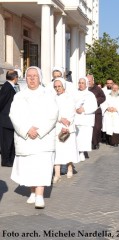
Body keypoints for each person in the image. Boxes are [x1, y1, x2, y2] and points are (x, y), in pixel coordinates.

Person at [10, 66, 58, 209]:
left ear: (40, 78)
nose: (31, 79)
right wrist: (26, 130)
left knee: (42, 167)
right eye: (29, 76)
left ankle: (39, 195)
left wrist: (39, 130)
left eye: (34, 76)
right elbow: (14, 115)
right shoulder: (19, 96)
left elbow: (53, 114)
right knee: (29, 168)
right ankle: (32, 192)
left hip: (43, 138)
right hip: (25, 138)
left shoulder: (48, 94)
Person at [52, 77, 79, 183]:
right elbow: (52, 112)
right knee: (57, 151)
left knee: (69, 149)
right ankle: (57, 174)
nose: (57, 88)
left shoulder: (70, 98)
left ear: (64, 86)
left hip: (68, 127)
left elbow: (72, 112)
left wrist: (66, 125)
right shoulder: (53, 98)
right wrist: (59, 119)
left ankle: (69, 168)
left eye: (59, 86)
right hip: (57, 126)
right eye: (55, 87)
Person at [75, 77, 98, 161]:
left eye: (82, 83)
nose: (80, 84)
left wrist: (84, 109)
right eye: (79, 83)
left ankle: (82, 152)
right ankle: (77, 152)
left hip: (86, 120)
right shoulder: (74, 93)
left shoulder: (90, 95)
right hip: (77, 119)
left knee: (84, 138)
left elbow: (94, 106)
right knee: (77, 138)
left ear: (86, 84)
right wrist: (76, 109)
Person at [0, 70, 18, 167]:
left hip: (9, 119)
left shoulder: (10, 86)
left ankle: (10, 159)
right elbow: (1, 101)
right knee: (6, 142)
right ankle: (6, 161)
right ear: (15, 77)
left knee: (10, 140)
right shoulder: (7, 87)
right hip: (5, 119)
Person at [87, 74, 106, 149]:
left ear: (93, 81)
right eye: (87, 81)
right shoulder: (84, 89)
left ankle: (95, 142)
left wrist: (96, 101)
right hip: (86, 112)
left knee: (97, 127)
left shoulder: (97, 89)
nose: (88, 83)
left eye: (89, 81)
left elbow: (103, 97)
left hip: (96, 110)